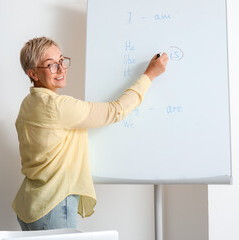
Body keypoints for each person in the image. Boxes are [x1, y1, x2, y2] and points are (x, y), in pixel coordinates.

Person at [12, 36, 169, 231]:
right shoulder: (57, 107)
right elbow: (116, 110)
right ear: (33, 73)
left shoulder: (28, 103)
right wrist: (149, 76)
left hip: (29, 206)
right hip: (52, 206)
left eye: (61, 60)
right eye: (51, 65)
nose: (61, 69)